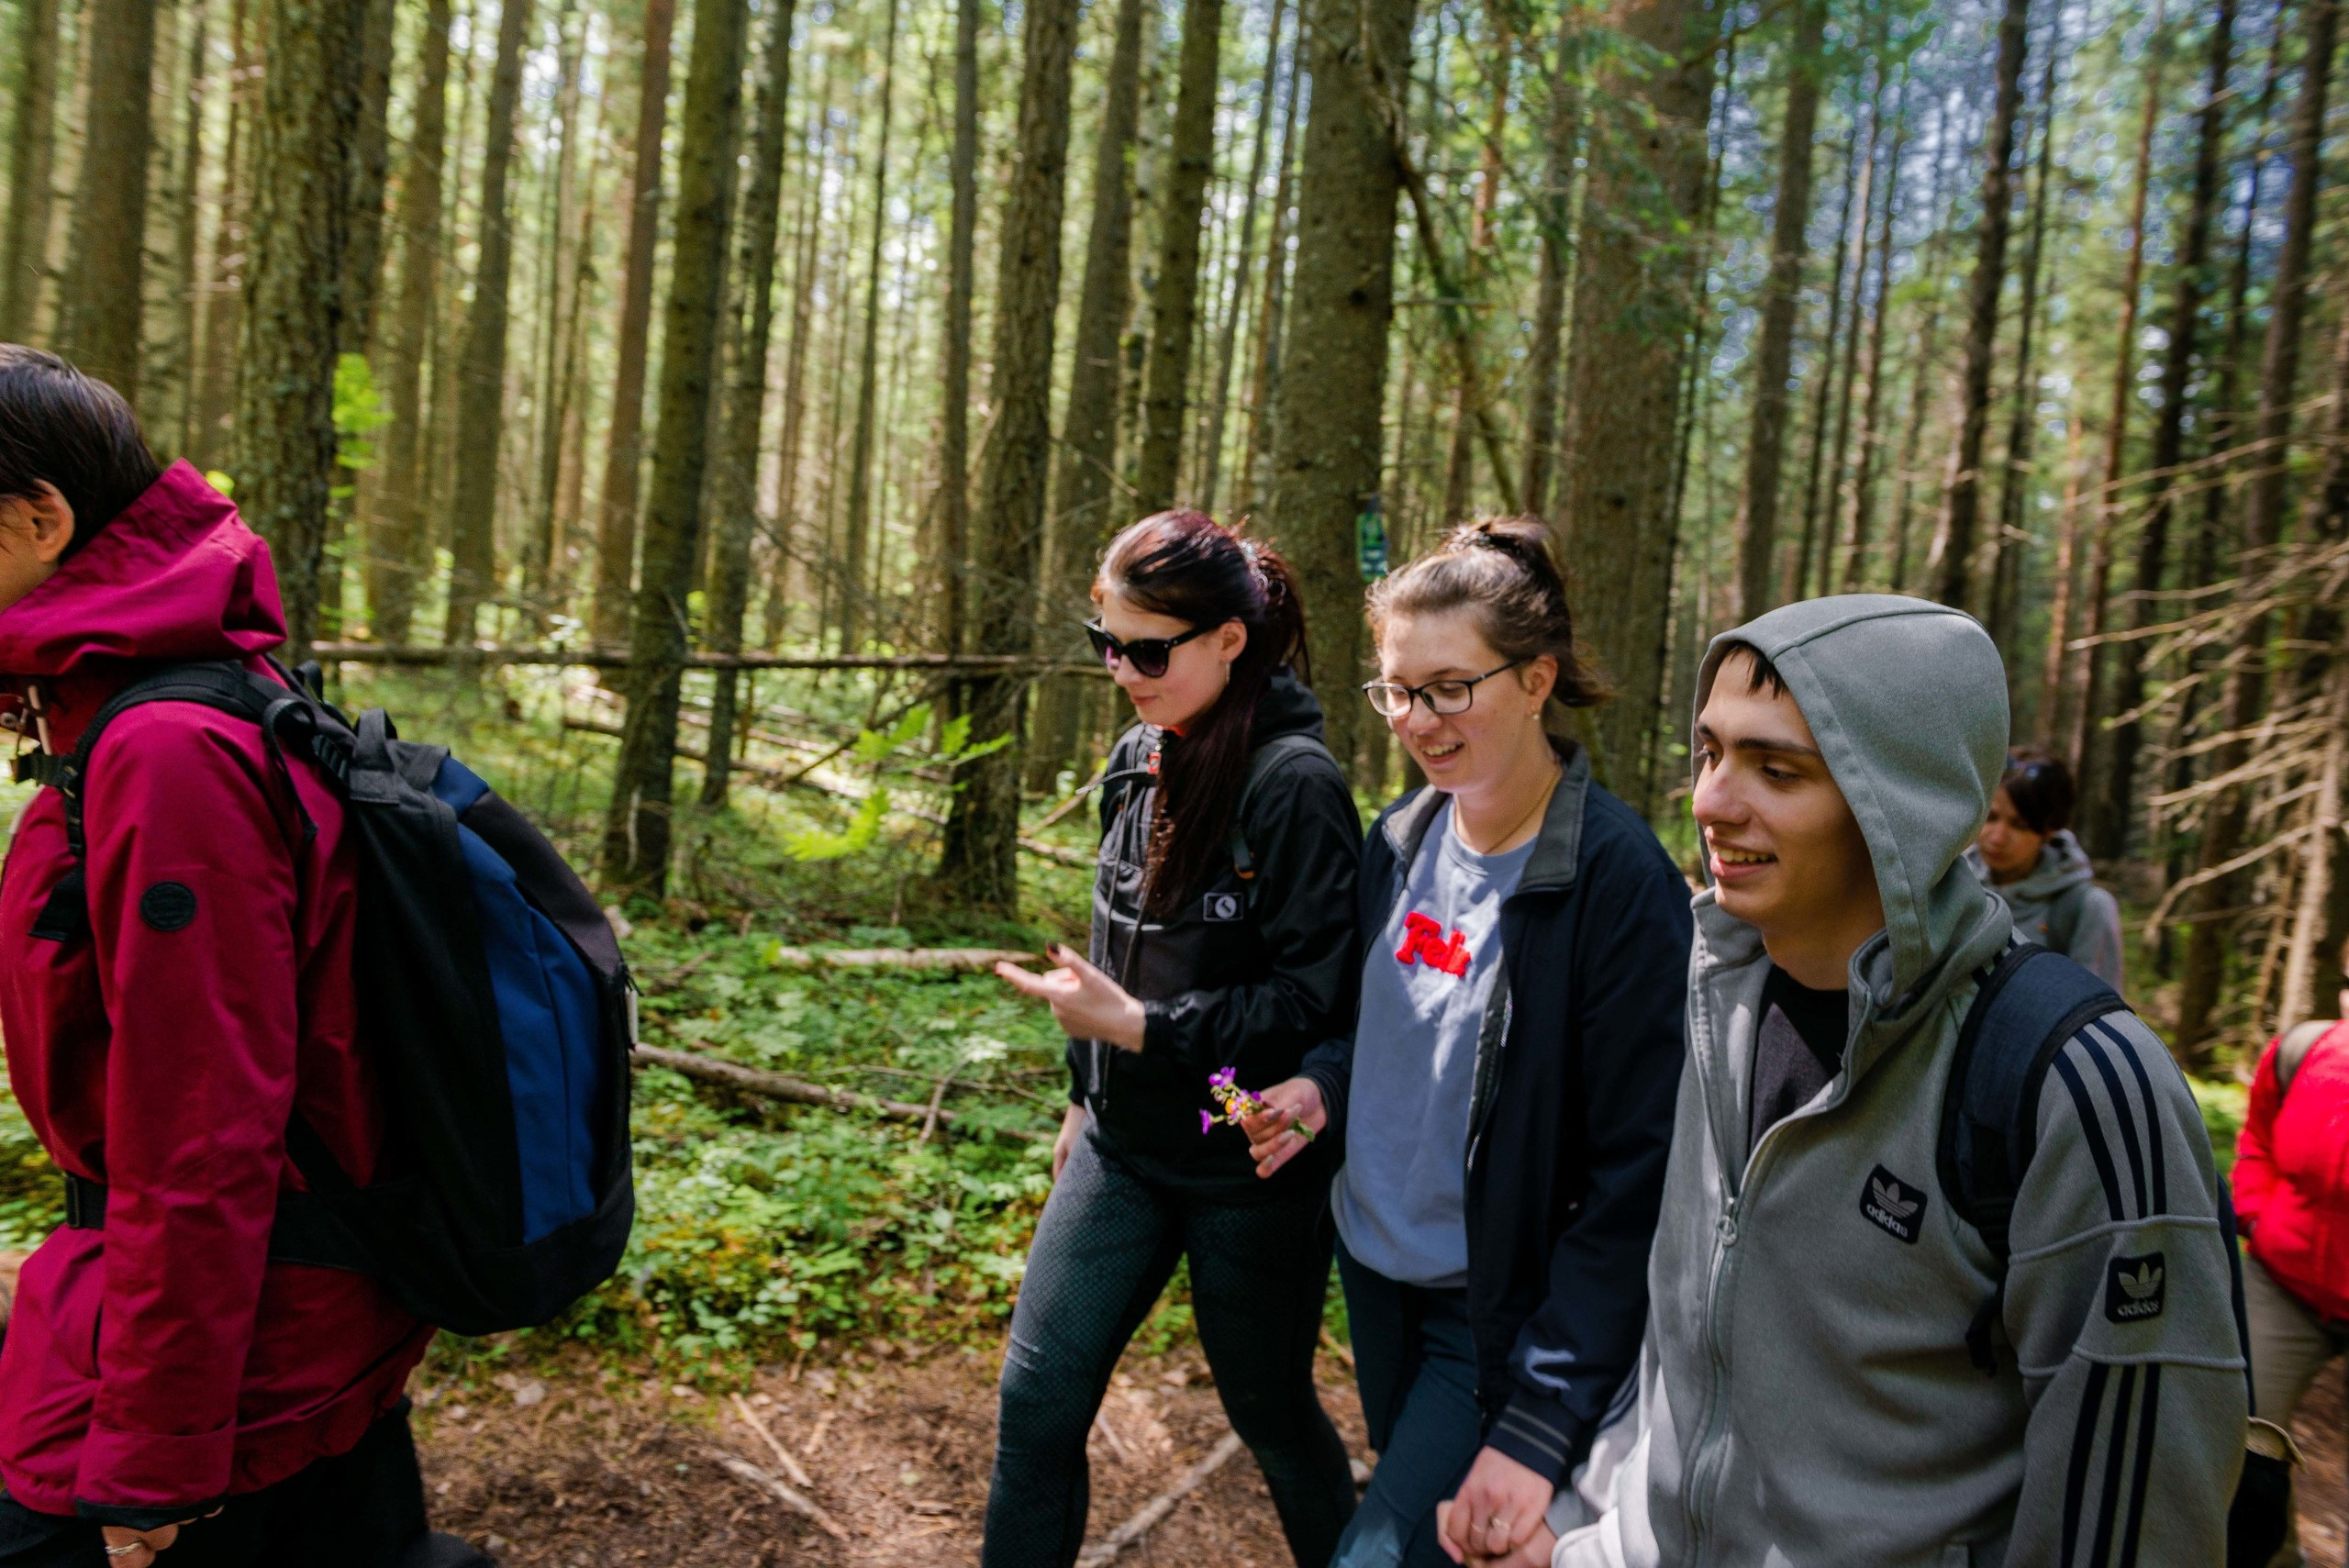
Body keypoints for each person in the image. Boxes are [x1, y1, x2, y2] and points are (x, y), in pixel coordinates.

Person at [1553, 596, 2246, 1568]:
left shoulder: (2073, 1084)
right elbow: (1681, 1342)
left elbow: (2135, 1524)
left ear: (1899, 803)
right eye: (1710, 751)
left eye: (1775, 768)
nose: (1709, 799)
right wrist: (1587, 1533)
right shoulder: (1712, 990)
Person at [0, 346, 480, 1564]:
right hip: (274, 1307)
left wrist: (155, 1452)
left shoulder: (166, 751)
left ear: (45, 519)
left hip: (241, 1338)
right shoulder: (148, 693)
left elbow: (201, 1128)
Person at [1241, 519, 1691, 1568]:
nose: (1417, 720)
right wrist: (1322, 1087)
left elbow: (1638, 1177)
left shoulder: (1617, 884)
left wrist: (1539, 1419)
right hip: (1375, 1267)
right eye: (1396, 690)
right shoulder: (1401, 837)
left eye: (1450, 687)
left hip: (1491, 1307)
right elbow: (1376, 1035)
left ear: (1536, 680)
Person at [984, 511, 1363, 1568]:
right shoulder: (1137, 752)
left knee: (1271, 1412)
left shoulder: (1295, 786)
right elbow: (1111, 942)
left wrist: (1146, 1030)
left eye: (1148, 649)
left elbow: (1314, 1000)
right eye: (1105, 642)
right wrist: (1082, 1084)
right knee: (1036, 1400)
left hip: (1241, 1140)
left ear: (1229, 639)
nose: (1122, 670)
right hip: (1121, 1136)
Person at [2232, 937, 2349, 1566]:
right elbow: (2259, 1138)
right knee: (2238, 1440)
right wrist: (2256, 1212)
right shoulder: (2306, 1052)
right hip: (2285, 1281)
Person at [1965, 747, 2125, 990]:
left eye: (2019, 825)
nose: (1997, 837)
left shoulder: (2086, 908)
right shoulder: (1952, 884)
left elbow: (2096, 1013)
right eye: (1991, 817)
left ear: (2049, 830)